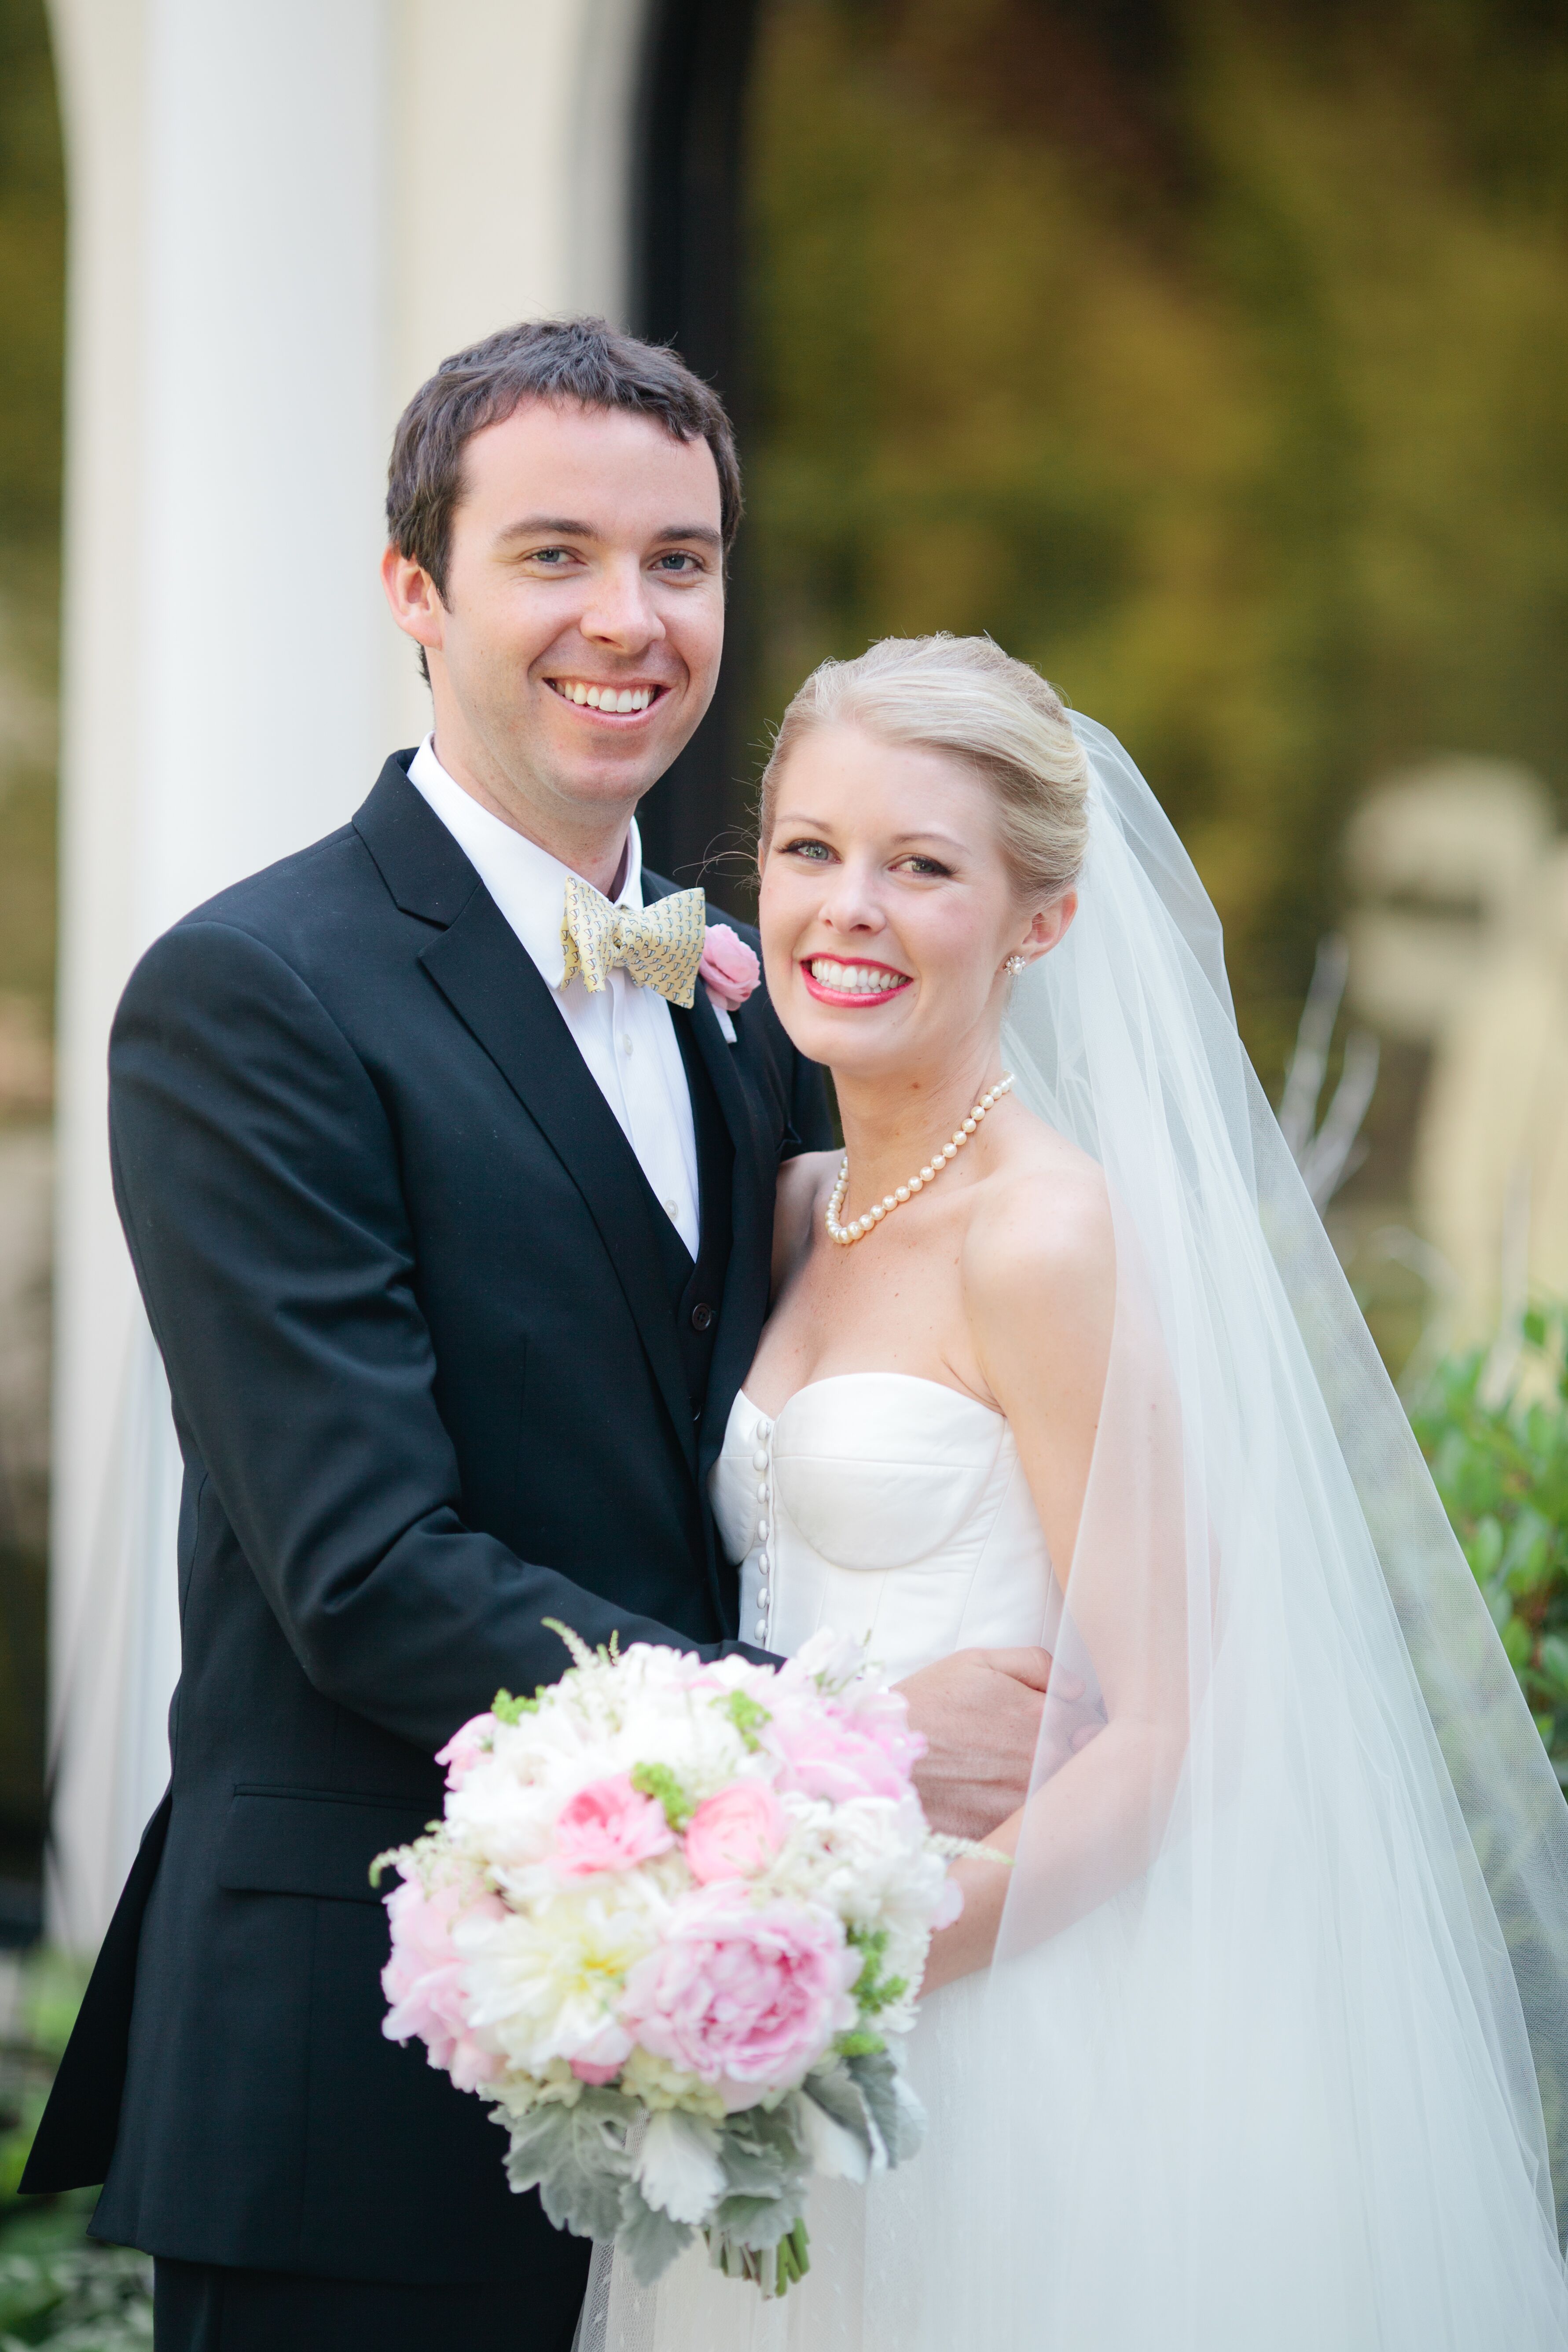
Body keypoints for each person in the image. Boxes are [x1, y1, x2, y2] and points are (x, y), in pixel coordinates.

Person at [20, 326, 1058, 2352]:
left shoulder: (754, 1003)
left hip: (742, 2083)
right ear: (417, 591)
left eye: (681, 561)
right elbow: (365, 1571)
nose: (630, 618)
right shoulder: (253, 996)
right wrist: (836, 1737)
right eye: (556, 552)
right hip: (368, 2063)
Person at [584, 635, 1568, 2350]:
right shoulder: (792, 1202)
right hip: (762, 2004)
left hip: (1000, 2020)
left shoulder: (1047, 1235)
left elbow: (1172, 1723)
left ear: (1041, 917)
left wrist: (867, 1961)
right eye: (812, 851)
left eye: (924, 866)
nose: (847, 910)